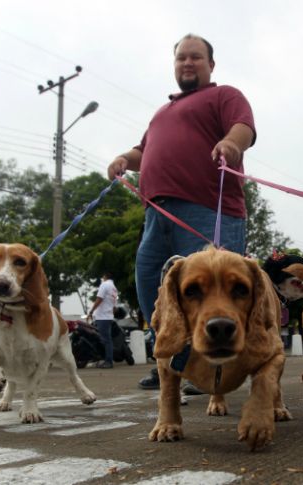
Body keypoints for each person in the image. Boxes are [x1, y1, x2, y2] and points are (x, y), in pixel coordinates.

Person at [106, 33, 256, 391]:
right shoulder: (162, 113)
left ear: (211, 64)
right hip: (156, 215)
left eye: (196, 57)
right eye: (181, 58)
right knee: (153, 289)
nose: (188, 63)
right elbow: (144, 151)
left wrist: (231, 144)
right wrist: (124, 159)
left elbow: (244, 128)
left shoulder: (224, 95)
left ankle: (211, 370)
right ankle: (171, 362)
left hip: (208, 209)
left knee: (214, 291)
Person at [87, 272, 118, 369]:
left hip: (102, 317)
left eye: (103, 276)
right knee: (107, 340)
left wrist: (91, 311)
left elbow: (99, 299)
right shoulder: (114, 288)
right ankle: (106, 360)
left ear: (105, 276)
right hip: (108, 316)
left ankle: (108, 361)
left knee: (106, 340)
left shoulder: (105, 285)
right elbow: (114, 307)